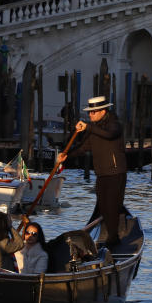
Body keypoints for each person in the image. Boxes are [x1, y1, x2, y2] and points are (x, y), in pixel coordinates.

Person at [58, 96, 127, 249]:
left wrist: (88, 127)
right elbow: (84, 147)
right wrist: (67, 156)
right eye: (89, 113)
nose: (90, 115)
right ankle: (111, 235)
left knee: (112, 205)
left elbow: (109, 135)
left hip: (116, 172)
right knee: (103, 205)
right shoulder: (94, 129)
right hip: (101, 173)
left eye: (93, 112)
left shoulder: (114, 125)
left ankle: (113, 238)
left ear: (103, 111)